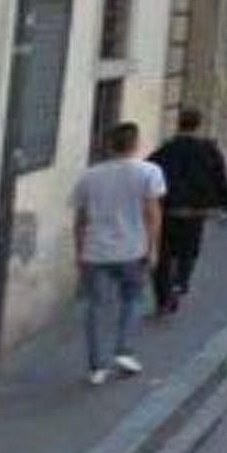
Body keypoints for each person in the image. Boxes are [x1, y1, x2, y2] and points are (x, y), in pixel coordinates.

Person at [70, 121, 165, 386]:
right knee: (133, 300)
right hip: (132, 249)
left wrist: (78, 252)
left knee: (95, 307)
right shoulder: (149, 172)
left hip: (95, 250)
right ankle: (123, 350)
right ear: (136, 144)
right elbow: (153, 214)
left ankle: (96, 366)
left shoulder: (89, 176)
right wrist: (153, 248)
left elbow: (80, 220)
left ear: (109, 145)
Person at [147, 108, 227, 314]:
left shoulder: (165, 150)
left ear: (178, 124)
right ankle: (180, 282)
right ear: (199, 125)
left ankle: (163, 297)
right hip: (196, 210)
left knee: (164, 255)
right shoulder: (208, 150)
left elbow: (150, 173)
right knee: (188, 250)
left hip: (169, 209)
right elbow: (220, 177)